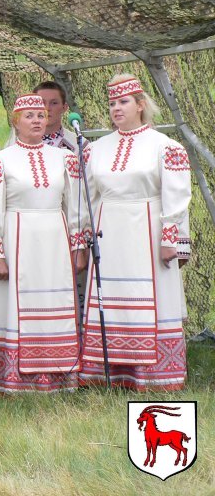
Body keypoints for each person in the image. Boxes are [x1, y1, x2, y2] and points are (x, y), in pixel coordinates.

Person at [80, 75, 192, 391]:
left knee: (149, 297)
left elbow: (177, 194)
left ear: (141, 105)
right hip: (108, 233)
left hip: (148, 230)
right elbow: (89, 197)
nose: (116, 108)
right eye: (112, 103)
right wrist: (84, 238)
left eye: (123, 102)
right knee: (113, 298)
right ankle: (113, 373)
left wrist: (172, 238)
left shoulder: (166, 147)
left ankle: (154, 376)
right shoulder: (95, 149)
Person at [0, 94, 89, 393]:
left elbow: (75, 205)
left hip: (55, 237)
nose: (37, 121)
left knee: (57, 301)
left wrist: (78, 245)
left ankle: (59, 374)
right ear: (15, 122)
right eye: (29, 116)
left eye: (41, 115)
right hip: (18, 237)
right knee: (19, 304)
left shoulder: (65, 158)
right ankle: (17, 380)